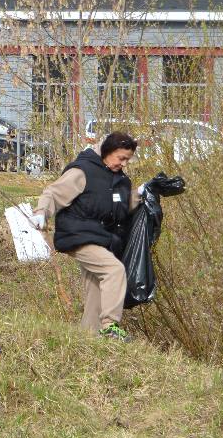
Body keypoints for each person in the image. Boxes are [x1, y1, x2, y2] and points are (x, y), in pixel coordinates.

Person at [30, 131, 144, 341]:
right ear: (107, 152)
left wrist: (143, 192)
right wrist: (41, 213)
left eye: (128, 159)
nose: (124, 164)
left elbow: (120, 207)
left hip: (101, 239)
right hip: (78, 235)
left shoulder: (119, 179)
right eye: (121, 158)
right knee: (114, 270)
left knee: (95, 288)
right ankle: (110, 327)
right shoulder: (83, 171)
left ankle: (88, 339)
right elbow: (53, 193)